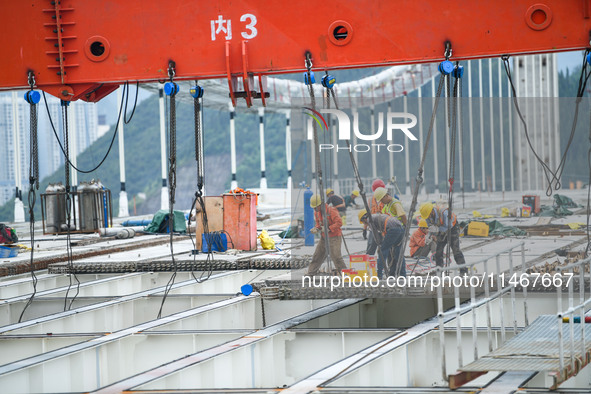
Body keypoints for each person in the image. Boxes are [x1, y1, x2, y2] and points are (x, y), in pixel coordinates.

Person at [307, 194, 348, 275]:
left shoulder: (331, 210)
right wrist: (317, 228)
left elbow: (339, 223)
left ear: (321, 204)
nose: (315, 209)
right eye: (314, 208)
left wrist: (329, 228)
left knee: (336, 257)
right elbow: (319, 224)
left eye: (316, 207)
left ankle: (346, 275)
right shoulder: (317, 212)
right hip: (324, 237)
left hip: (334, 237)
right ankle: (310, 274)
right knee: (317, 256)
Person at [358, 209, 406, 278]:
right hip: (400, 229)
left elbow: (376, 236)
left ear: (364, 219)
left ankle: (379, 275)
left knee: (382, 252)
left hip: (393, 229)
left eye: (363, 222)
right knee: (398, 253)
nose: (365, 224)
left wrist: (380, 246)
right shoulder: (375, 217)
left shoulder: (370, 220)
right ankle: (402, 276)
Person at [420, 202, 466, 270]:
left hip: (452, 228)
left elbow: (449, 225)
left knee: (456, 250)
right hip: (441, 230)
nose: (428, 218)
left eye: (429, 215)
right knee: (438, 251)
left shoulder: (444, 213)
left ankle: (463, 270)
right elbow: (430, 226)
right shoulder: (427, 216)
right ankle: (439, 271)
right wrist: (429, 235)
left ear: (432, 211)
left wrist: (437, 229)